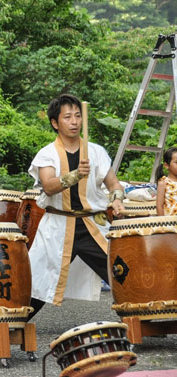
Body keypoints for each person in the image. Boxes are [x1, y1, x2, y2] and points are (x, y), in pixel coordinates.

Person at [27, 94, 125, 320]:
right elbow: (49, 186)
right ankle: (12, 324)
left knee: (119, 270)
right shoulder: (47, 153)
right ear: (55, 123)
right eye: (68, 117)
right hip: (58, 226)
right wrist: (75, 175)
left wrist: (117, 198)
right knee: (39, 280)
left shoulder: (96, 151)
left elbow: (113, 184)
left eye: (78, 116)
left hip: (92, 224)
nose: (74, 121)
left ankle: (139, 318)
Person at [155, 146, 177, 216]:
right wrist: (162, 223)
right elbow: (159, 206)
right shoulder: (163, 183)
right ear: (166, 165)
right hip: (170, 224)